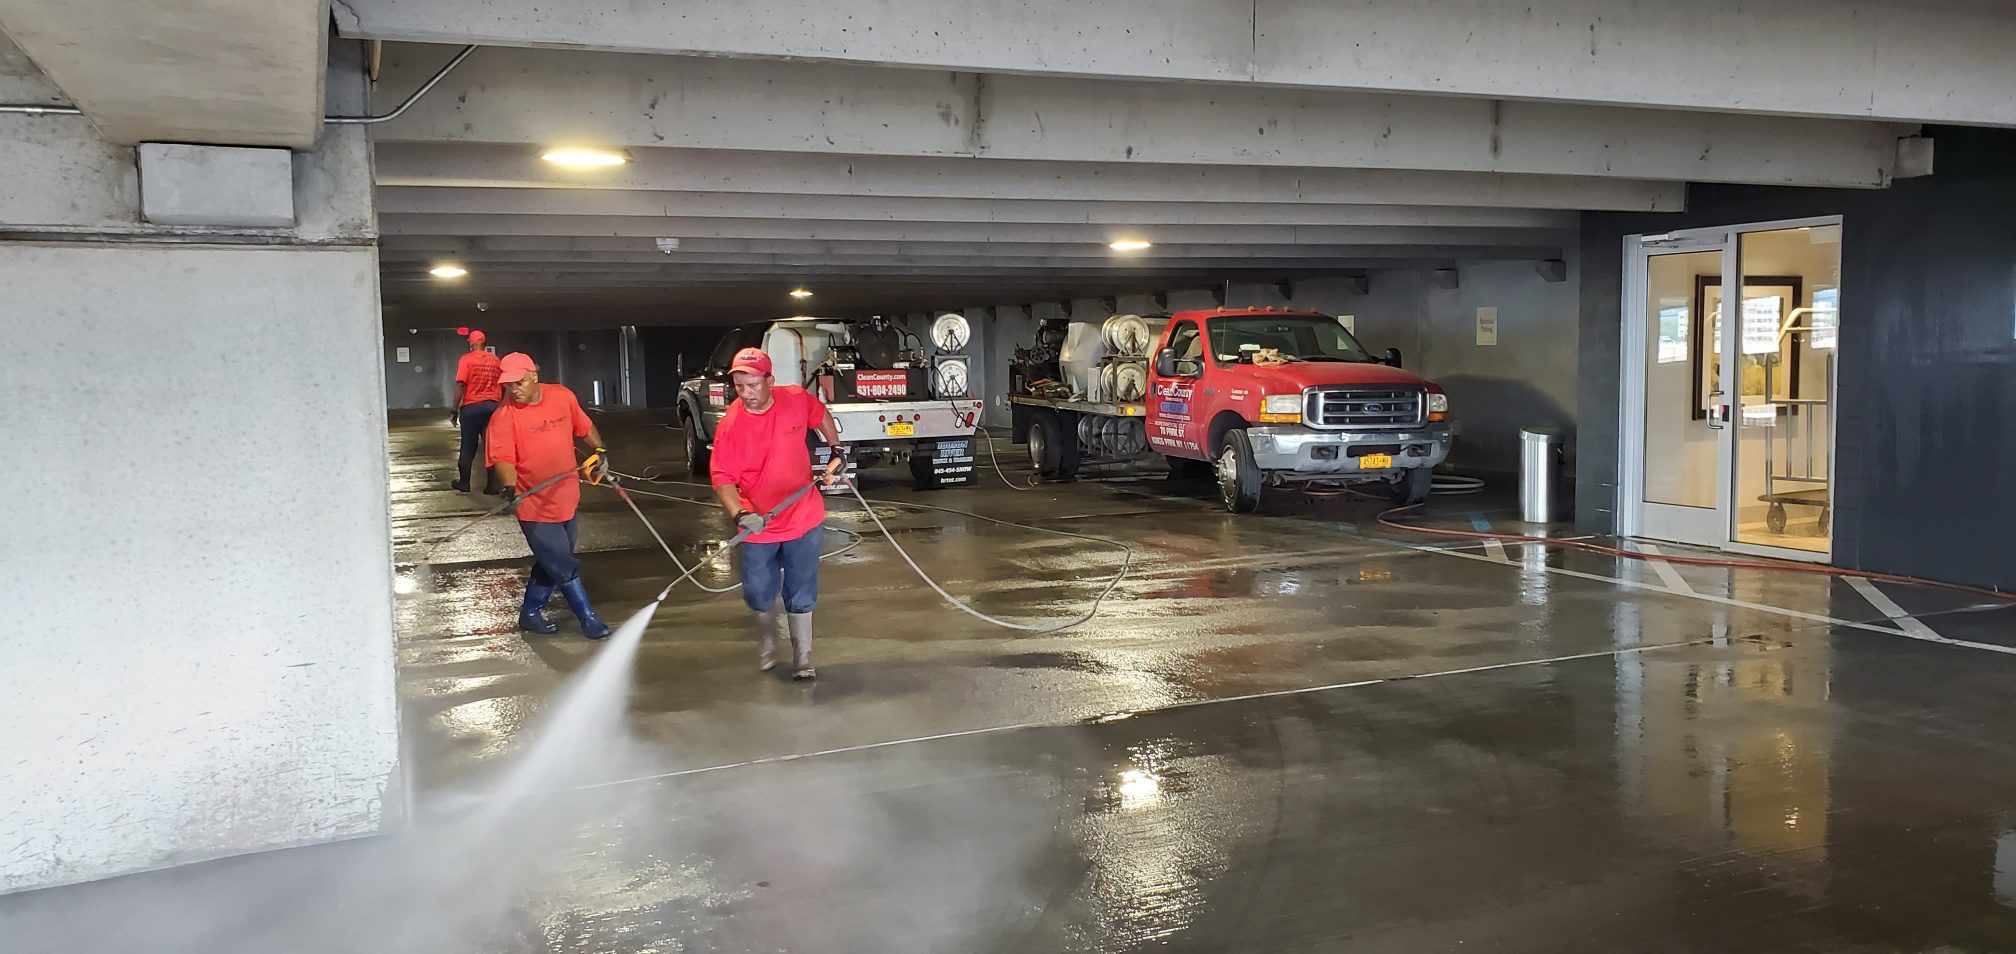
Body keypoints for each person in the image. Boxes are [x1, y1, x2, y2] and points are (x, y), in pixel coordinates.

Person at [709, 347, 844, 680]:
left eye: (753, 385)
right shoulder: (731, 425)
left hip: (802, 515)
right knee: (757, 590)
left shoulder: (795, 400)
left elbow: (820, 414)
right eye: (740, 387)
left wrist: (836, 448)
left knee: (801, 589)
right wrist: (739, 514)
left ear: (770, 380)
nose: (747, 394)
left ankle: (803, 656)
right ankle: (768, 639)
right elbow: (722, 477)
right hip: (758, 523)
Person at [486, 352, 614, 639]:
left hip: (567, 498)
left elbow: (584, 426)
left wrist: (600, 450)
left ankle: (530, 613)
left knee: (553, 560)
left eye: (518, 382)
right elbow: (503, 459)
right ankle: (588, 619)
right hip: (533, 505)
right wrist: (510, 489)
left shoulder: (562, 396)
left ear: (534, 375)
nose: (513, 389)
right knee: (562, 564)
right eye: (508, 385)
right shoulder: (502, 418)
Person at [450, 330, 504, 494]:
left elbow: (461, 384)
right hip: (492, 406)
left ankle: (464, 483)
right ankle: (492, 487)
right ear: (484, 343)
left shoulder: (466, 360)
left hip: (472, 407)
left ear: (471, 343)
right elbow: (502, 385)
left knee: (468, 445)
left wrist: (454, 409)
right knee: (491, 447)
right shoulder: (496, 361)